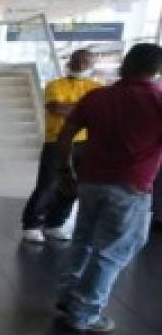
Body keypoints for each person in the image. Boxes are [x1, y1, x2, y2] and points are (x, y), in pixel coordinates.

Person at [54, 43, 162, 335]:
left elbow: (65, 136)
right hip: (131, 187)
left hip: (90, 182)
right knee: (112, 252)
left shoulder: (97, 97)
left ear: (125, 63)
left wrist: (66, 171)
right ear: (155, 70)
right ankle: (85, 312)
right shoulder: (157, 100)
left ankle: (68, 296)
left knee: (83, 241)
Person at [21, 49, 102, 243]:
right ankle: (32, 224)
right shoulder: (55, 85)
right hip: (56, 140)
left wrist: (73, 108)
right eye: (77, 60)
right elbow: (56, 107)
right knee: (48, 183)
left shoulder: (97, 87)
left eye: (85, 62)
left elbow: (97, 112)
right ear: (70, 61)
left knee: (74, 186)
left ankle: (55, 223)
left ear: (92, 65)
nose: (81, 65)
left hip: (84, 142)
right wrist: (84, 109)